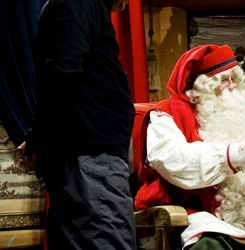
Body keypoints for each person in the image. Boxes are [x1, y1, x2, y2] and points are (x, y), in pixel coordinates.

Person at [132, 44, 245, 249]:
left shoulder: (240, 116)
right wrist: (233, 155)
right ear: (202, 85)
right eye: (224, 80)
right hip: (201, 217)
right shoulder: (166, 115)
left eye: (234, 80)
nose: (232, 86)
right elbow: (173, 160)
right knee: (210, 246)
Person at [19, 0, 136, 249]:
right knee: (107, 239)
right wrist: (38, 137)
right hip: (91, 154)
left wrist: (37, 136)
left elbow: (57, 75)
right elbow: (62, 74)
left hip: (85, 154)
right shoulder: (79, 2)